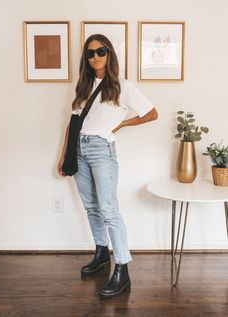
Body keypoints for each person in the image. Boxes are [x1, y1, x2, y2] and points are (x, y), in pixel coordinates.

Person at [57, 34, 158, 298]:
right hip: (78, 150)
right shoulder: (83, 85)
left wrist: (123, 123)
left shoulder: (122, 86)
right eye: (90, 53)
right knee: (91, 206)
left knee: (108, 209)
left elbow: (152, 113)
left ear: (109, 53)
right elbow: (73, 122)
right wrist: (64, 154)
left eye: (100, 51)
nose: (95, 57)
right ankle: (101, 253)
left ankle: (122, 269)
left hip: (102, 150)